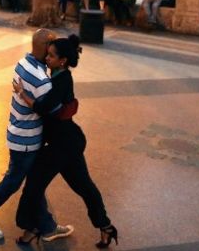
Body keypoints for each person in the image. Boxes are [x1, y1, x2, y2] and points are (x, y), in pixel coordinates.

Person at [13, 35, 119, 247]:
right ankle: (105, 226)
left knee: (34, 184)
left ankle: (30, 228)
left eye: (51, 56)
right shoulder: (55, 74)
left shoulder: (63, 79)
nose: (47, 58)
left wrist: (23, 94)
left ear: (62, 60)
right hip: (66, 142)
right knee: (83, 187)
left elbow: (44, 107)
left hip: (62, 145)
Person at [0, 29, 56, 241]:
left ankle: (47, 226)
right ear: (47, 49)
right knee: (13, 181)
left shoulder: (22, 63)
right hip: (27, 140)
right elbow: (49, 111)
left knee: (34, 183)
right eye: (53, 47)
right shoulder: (42, 81)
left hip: (16, 131)